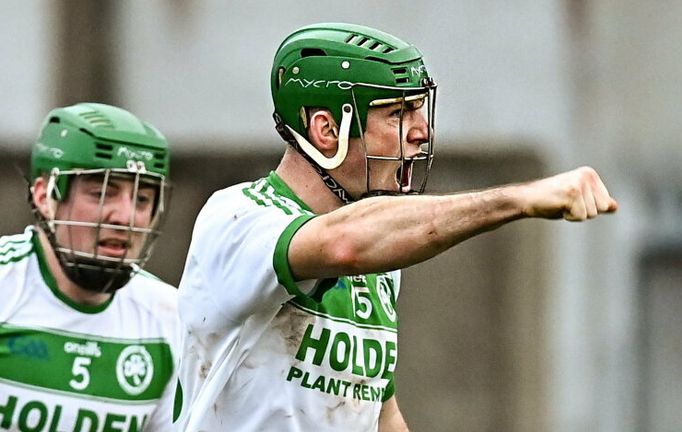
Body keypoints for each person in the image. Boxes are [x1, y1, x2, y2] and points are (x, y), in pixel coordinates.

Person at [173, 22, 618, 432]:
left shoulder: (380, 257)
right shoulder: (238, 219)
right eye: (398, 114)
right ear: (326, 129)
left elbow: (378, 411)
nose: (423, 132)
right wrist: (517, 199)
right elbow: (342, 242)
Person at [0, 103, 179, 431]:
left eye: (141, 199)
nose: (124, 217)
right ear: (44, 196)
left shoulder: (172, 316)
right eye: (101, 193)